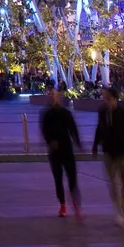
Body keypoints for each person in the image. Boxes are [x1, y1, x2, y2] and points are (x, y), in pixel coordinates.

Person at [91, 86, 124, 228]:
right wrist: (95, 146)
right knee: (112, 183)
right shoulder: (102, 111)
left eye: (107, 97)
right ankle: (118, 210)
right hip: (109, 152)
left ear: (114, 98)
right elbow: (99, 129)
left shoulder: (122, 111)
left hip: (122, 151)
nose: (105, 100)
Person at [39, 87, 83, 219]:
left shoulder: (66, 113)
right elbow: (44, 130)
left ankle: (75, 204)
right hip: (54, 151)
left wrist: (78, 144)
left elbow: (73, 129)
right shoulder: (46, 113)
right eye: (51, 94)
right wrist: (49, 142)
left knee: (72, 178)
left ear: (59, 97)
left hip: (67, 149)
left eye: (55, 95)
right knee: (58, 179)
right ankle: (63, 205)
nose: (53, 97)